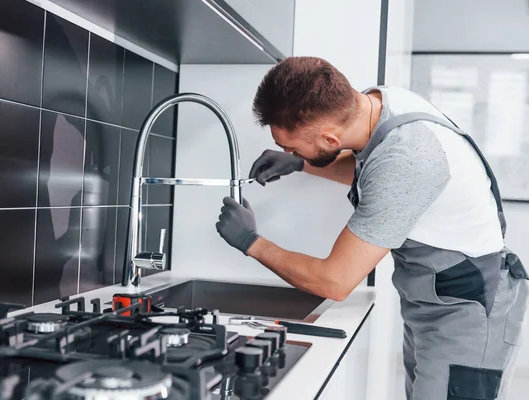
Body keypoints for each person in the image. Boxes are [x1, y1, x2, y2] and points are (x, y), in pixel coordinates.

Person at [215, 56, 529, 400]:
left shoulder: (408, 156)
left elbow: (333, 281)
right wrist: (300, 162)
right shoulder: (376, 105)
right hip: (437, 300)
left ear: (331, 139)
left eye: (290, 145)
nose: (286, 150)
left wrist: (251, 242)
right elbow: (376, 173)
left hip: (469, 311)